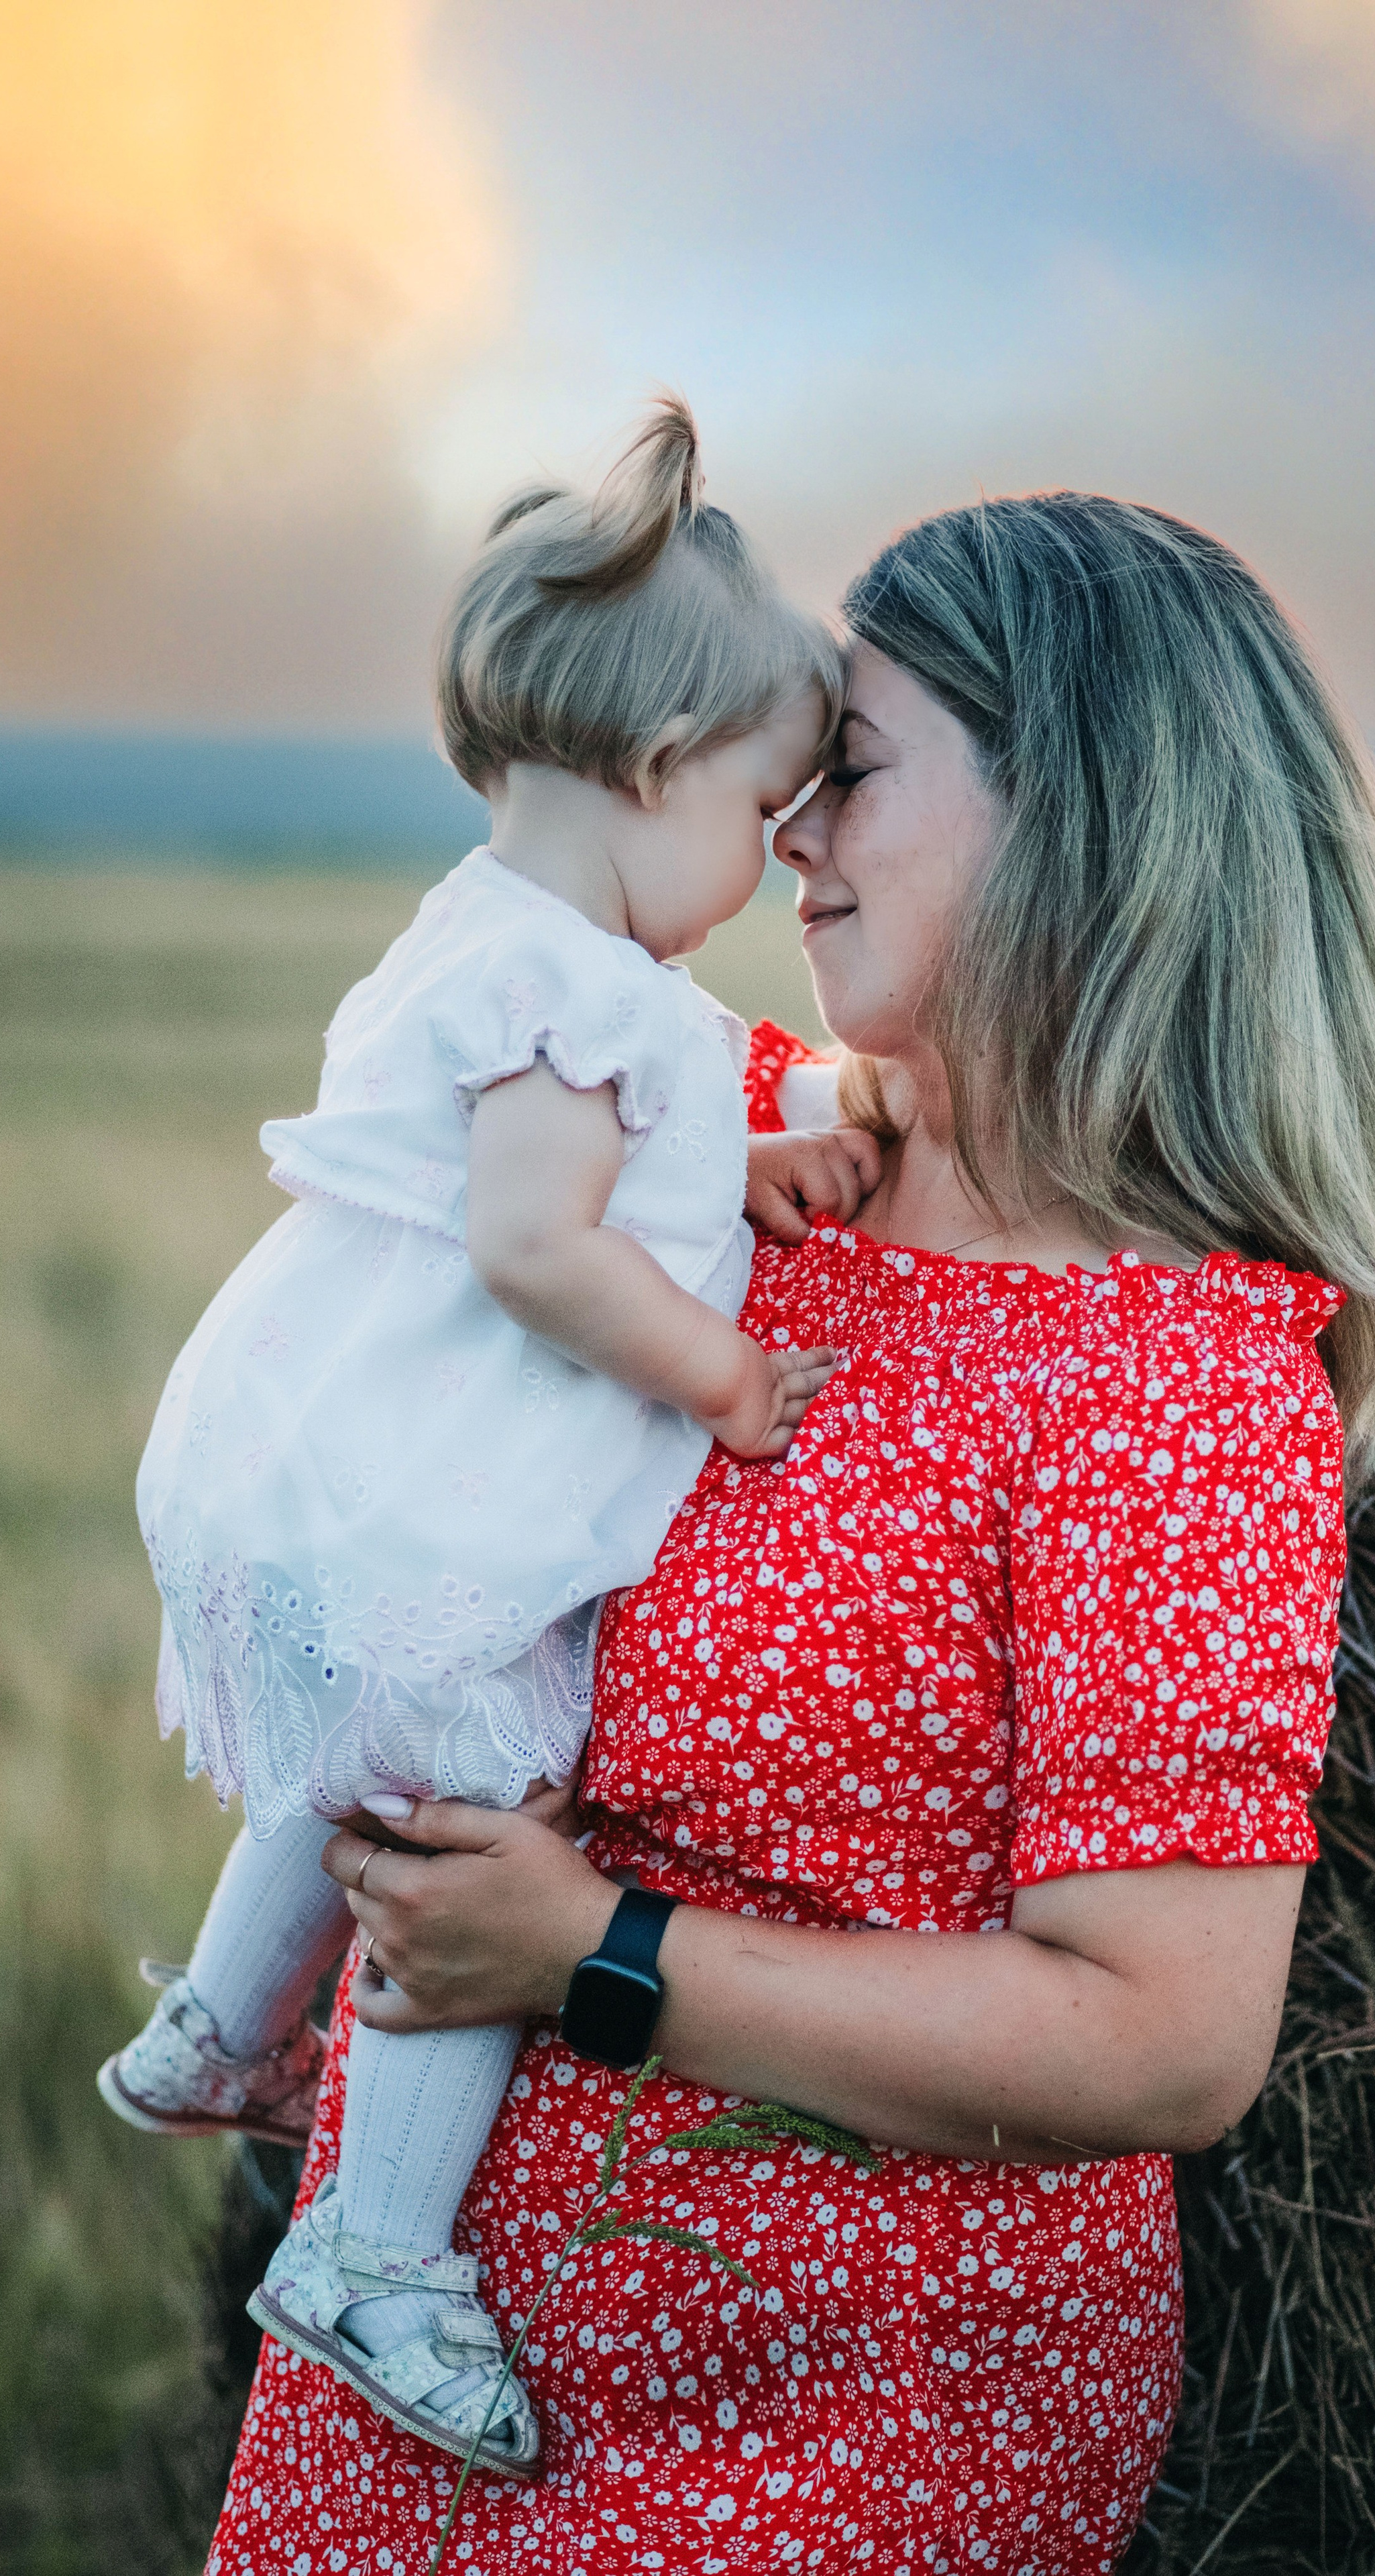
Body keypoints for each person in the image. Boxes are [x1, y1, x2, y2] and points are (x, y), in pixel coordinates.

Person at [207, 488, 1375, 2573]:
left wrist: (593, 1958)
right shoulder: (723, 1170)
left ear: (1082, 812)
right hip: (397, 2388)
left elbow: (1165, 2033)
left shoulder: (1171, 1379)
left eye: (856, 774)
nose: (788, 833)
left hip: (825, 2435)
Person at [97, 397, 877, 2472]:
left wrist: (752, 1182)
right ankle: (373, 2250)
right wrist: (723, 1384)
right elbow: (542, 1246)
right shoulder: (597, 995)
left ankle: (211, 2032)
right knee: (480, 1808)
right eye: (761, 804)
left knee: (375, 1738)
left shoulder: (489, 934)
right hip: (425, 1492)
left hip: (322, 1477)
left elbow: (628, 1164)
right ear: (652, 773)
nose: (771, 859)